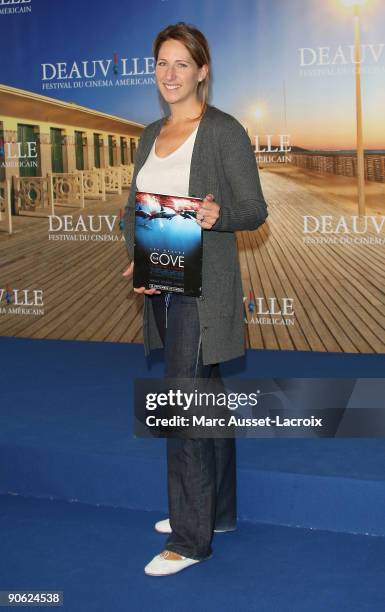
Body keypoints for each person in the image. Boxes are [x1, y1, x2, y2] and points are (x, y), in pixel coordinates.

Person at [122, 22, 268, 576]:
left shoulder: (224, 131)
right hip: (160, 280)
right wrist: (136, 258)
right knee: (205, 397)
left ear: (202, 71)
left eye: (182, 63)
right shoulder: (147, 134)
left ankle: (190, 538)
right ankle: (216, 512)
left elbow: (254, 210)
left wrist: (217, 214)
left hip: (203, 290)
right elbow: (136, 207)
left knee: (182, 405)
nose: (170, 74)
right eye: (162, 62)